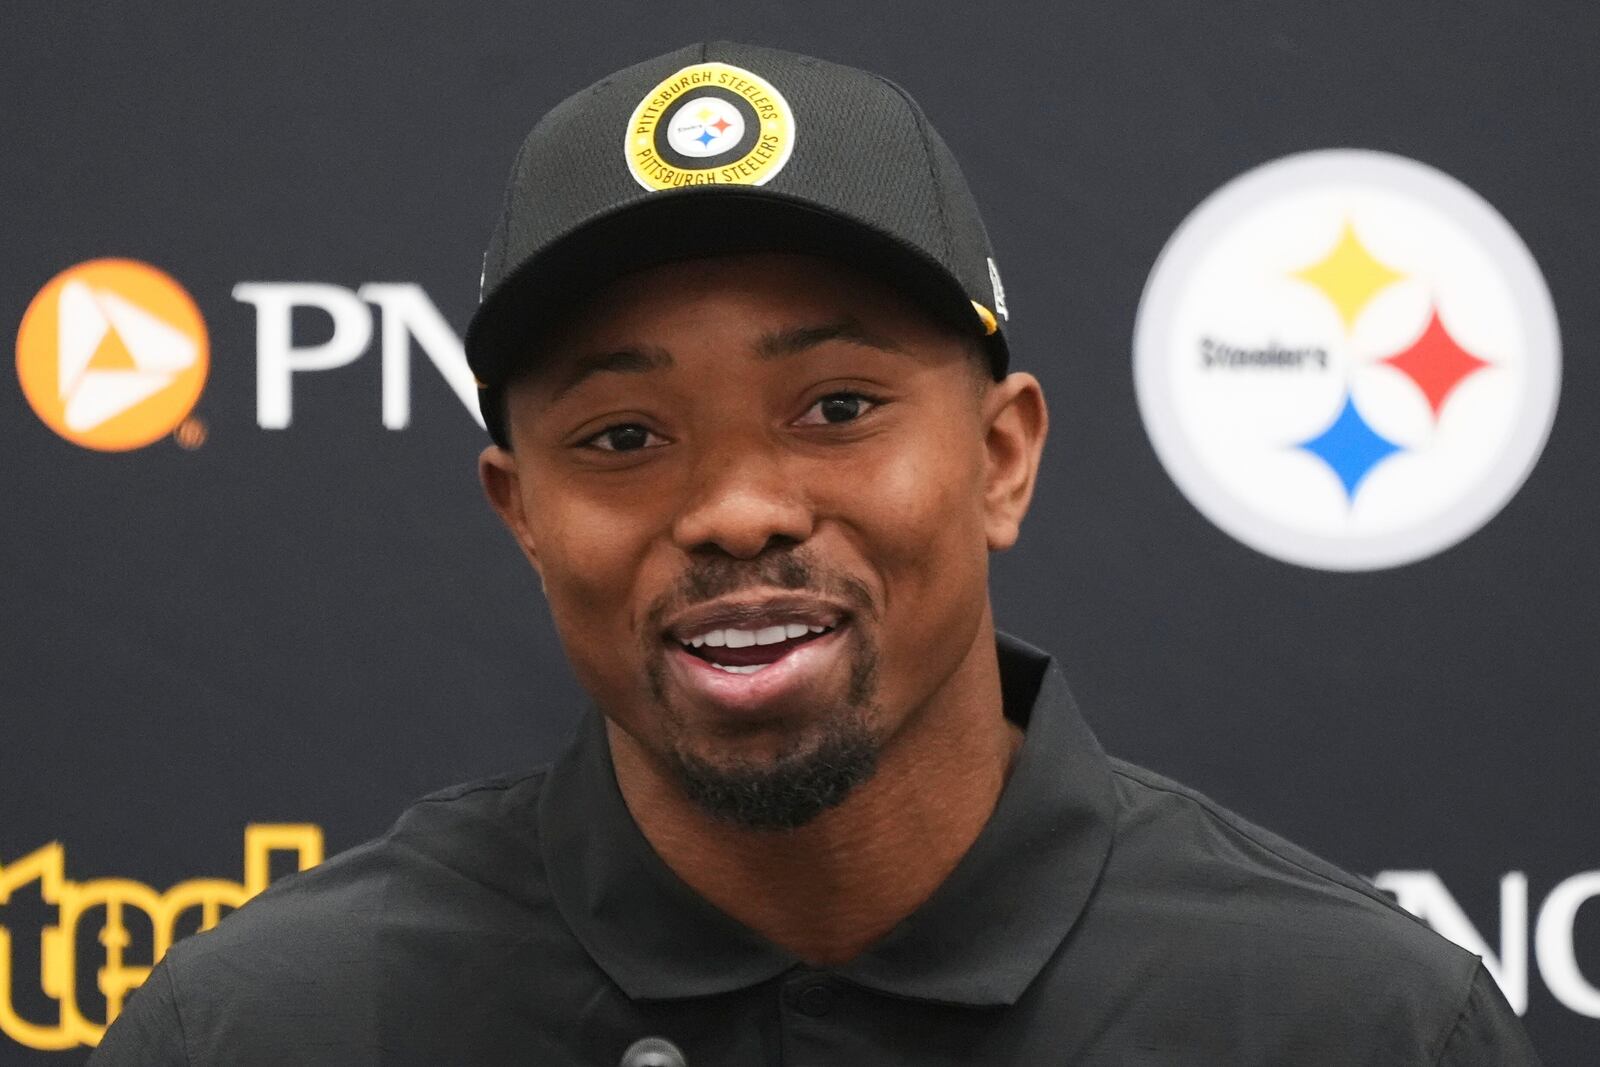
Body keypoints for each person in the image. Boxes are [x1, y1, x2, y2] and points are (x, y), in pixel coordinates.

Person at [92, 41, 1541, 1066]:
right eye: (620, 436)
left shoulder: (1358, 1027)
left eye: (837, 408)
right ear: (518, 509)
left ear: (1001, 455)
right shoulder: (259, 1030)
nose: (735, 511)